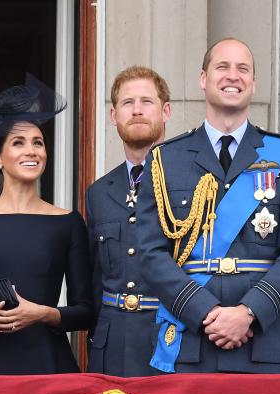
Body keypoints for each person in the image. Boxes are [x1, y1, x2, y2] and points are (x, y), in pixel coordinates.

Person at [135, 38, 280, 374]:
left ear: (253, 83)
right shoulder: (165, 159)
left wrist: (248, 312)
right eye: (222, 67)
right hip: (191, 339)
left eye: (242, 69)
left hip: (264, 341)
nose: (232, 76)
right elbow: (150, 253)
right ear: (203, 79)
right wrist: (205, 312)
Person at [0, 74, 94, 375]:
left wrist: (43, 314)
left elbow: (85, 312)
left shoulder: (69, 222)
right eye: (18, 143)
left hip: (47, 365)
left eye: (38, 143)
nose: (31, 151)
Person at [85, 66, 172, 376]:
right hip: (112, 345)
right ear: (113, 115)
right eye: (127, 102)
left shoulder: (191, 181)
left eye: (146, 101)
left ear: (166, 111)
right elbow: (94, 279)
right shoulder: (98, 193)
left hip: (169, 341)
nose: (137, 110)